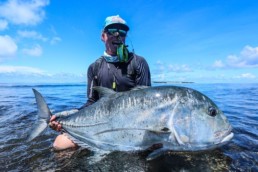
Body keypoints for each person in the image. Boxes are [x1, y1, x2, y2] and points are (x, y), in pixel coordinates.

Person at [49, 15, 152, 150]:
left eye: (122, 32)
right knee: (59, 144)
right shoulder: (94, 67)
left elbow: (147, 101)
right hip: (100, 124)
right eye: (112, 31)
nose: (117, 35)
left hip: (132, 124)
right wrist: (65, 116)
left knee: (159, 144)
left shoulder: (138, 62)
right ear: (103, 36)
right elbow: (92, 101)